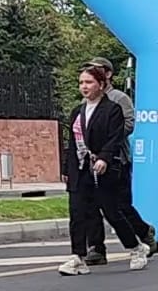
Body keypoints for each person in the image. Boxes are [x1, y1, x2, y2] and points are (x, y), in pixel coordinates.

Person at [59, 65, 152, 276]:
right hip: (80, 169)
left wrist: (104, 158)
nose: (84, 87)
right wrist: (67, 167)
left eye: (89, 82)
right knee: (78, 213)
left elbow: (115, 138)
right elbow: (73, 143)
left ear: (101, 85)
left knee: (112, 212)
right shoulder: (77, 111)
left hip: (103, 170)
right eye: (82, 82)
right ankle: (77, 257)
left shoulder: (112, 109)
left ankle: (136, 248)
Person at [81, 57, 156, 260]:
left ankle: (143, 231)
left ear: (107, 75)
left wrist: (108, 138)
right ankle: (96, 247)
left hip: (116, 159)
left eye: (95, 73)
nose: (86, 84)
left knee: (119, 205)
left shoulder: (119, 98)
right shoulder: (86, 102)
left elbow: (129, 124)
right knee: (91, 205)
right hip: (91, 161)